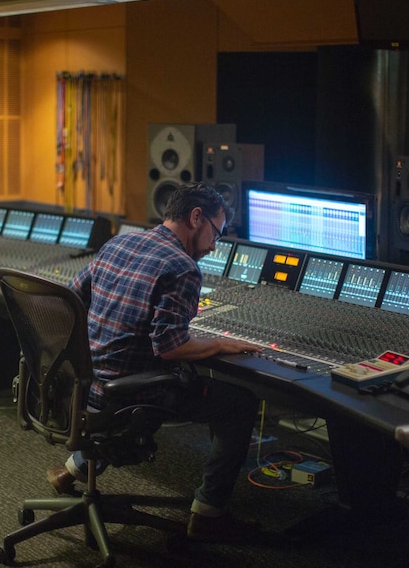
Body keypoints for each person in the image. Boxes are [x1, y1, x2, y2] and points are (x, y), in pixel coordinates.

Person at [46, 182, 263, 542]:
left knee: (133, 379)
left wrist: (108, 332)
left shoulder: (119, 242)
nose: (213, 246)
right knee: (239, 403)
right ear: (196, 217)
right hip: (125, 396)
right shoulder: (183, 268)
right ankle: (209, 512)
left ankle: (73, 471)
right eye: (216, 234)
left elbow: (70, 298)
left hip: (82, 385)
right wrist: (219, 344)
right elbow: (170, 347)